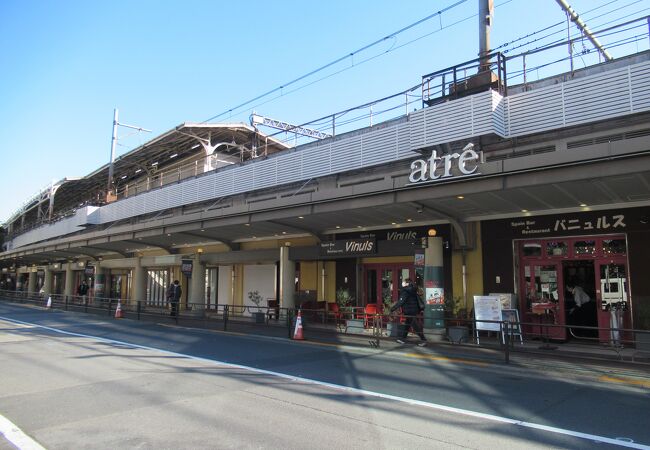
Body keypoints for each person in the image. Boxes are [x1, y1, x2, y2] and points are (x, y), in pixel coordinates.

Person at [390, 278, 427, 346]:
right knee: (407, 324)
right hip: (413, 310)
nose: (402, 283)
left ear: (407, 283)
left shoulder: (405, 291)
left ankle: (423, 340)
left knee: (415, 326)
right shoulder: (412, 289)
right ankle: (402, 339)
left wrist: (393, 308)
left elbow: (401, 301)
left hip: (409, 310)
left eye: (403, 282)